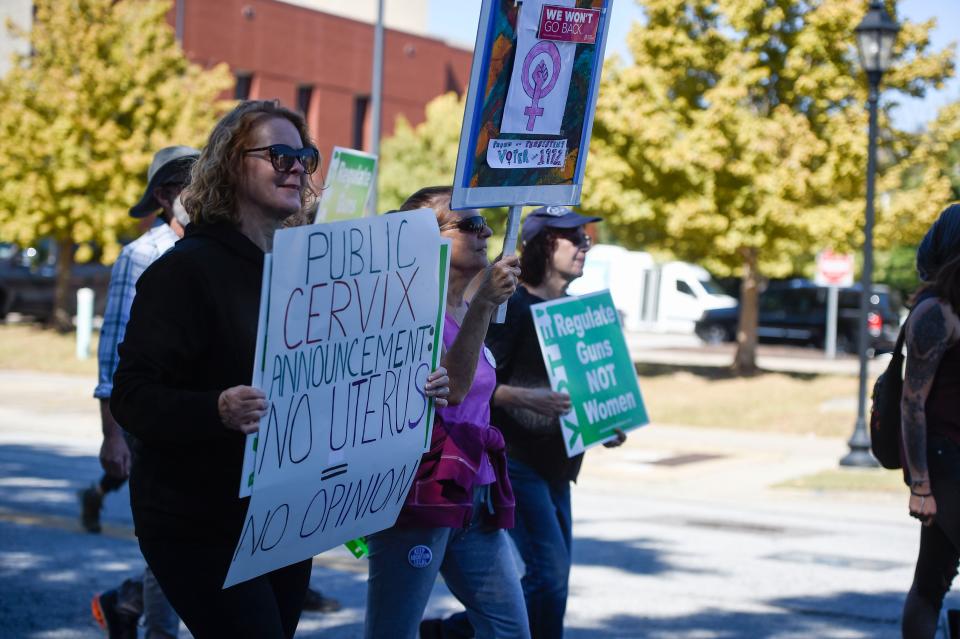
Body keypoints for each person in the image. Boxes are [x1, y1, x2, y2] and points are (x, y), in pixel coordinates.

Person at [111, 100, 437, 637]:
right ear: (231, 164)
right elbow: (132, 396)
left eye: (304, 157)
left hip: (283, 515)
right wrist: (215, 408)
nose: (295, 167)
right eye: (278, 154)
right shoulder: (184, 272)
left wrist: (411, 384)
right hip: (197, 519)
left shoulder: (307, 272)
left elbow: (342, 376)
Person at [425, 206, 627, 639]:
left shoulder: (578, 312)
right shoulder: (511, 306)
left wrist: (607, 418)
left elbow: (586, 388)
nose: (585, 245)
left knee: (551, 580)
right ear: (544, 244)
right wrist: (526, 397)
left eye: (586, 236)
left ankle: (452, 633)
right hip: (518, 463)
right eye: (574, 237)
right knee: (547, 579)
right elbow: (477, 380)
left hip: (562, 465)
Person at [364, 186, 529, 639]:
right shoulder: (402, 311)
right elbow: (454, 390)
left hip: (475, 493)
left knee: (509, 630)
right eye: (469, 225)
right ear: (425, 237)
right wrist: (483, 305)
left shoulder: (467, 304)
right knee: (393, 632)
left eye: (484, 224)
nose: (485, 232)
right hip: (420, 495)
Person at [83, 145, 198, 639]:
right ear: (167, 195)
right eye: (192, 184)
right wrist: (112, 437)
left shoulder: (223, 248)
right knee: (173, 537)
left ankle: (126, 601)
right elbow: (114, 354)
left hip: (207, 418)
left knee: (195, 535)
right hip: (154, 421)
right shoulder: (142, 256)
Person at [901, 203, 960, 638]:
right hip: (947, 463)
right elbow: (912, 402)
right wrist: (921, 485)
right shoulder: (936, 312)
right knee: (930, 584)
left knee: (932, 579)